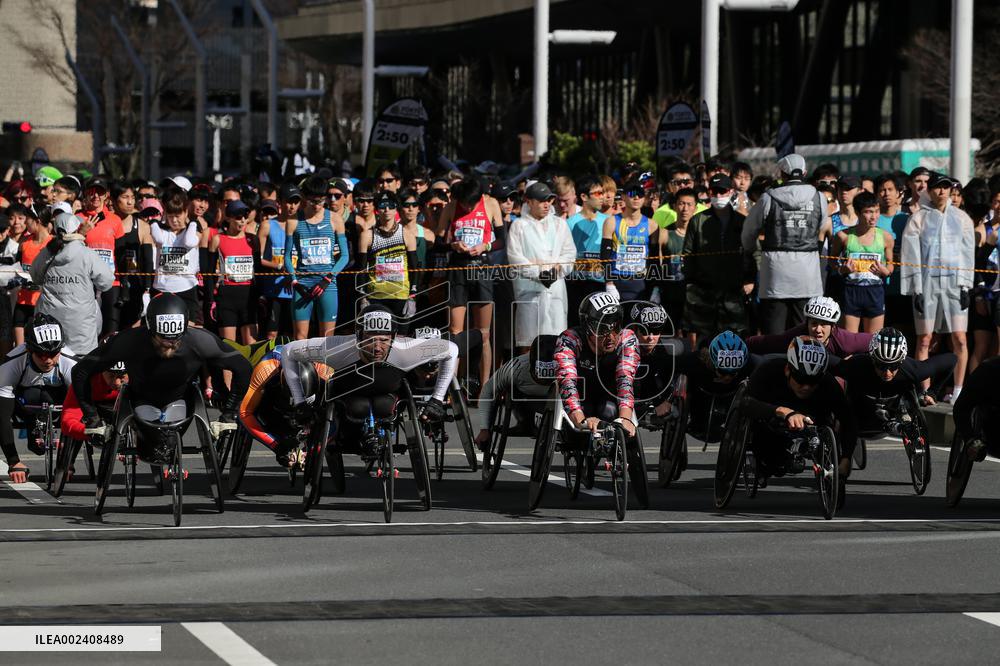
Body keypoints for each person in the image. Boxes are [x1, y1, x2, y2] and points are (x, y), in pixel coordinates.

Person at [70, 295, 252, 459]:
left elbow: (243, 367)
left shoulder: (200, 340)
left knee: (166, 444)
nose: (169, 346)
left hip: (181, 399)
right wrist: (92, 417)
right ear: (149, 327)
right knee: (151, 445)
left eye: (175, 340)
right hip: (139, 400)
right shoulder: (128, 341)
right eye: (163, 339)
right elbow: (81, 371)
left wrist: (230, 413)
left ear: (184, 328)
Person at [280, 305, 458, 443]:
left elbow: (451, 349)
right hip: (349, 392)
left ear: (394, 337)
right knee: (354, 410)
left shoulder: (406, 348)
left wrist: (436, 400)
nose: (378, 347)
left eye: (384, 339)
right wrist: (300, 402)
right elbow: (288, 351)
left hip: (388, 391)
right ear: (358, 336)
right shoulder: (336, 347)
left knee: (380, 405)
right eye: (370, 339)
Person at [741, 336, 857, 492]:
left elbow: (848, 419)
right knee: (774, 463)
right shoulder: (769, 370)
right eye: (801, 379)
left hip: (815, 424)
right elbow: (745, 404)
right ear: (788, 370)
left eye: (813, 381)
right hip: (771, 427)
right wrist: (783, 411)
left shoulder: (828, 383)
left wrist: (846, 458)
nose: (806, 387)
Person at [900, 172, 975, 403]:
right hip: (927, 283)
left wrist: (965, 286)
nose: (942, 192)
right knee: (924, 339)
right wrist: (916, 289)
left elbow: (967, 253)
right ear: (929, 190)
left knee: (960, 338)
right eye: (937, 187)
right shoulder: (918, 218)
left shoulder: (961, 218)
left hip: (954, 283)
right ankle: (924, 392)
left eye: (946, 187)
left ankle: (959, 390)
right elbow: (910, 254)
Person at [742, 153, 830, 335]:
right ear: (804, 172)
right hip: (808, 274)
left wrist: (750, 251)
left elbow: (748, 231)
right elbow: (822, 225)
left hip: (775, 274)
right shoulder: (818, 197)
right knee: (804, 332)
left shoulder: (769, 198)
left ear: (782, 174)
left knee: (773, 336)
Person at [0, 314, 78, 483]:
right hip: (25, 403)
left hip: (60, 400)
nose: (48, 360)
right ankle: (31, 426)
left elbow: (82, 410)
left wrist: (67, 461)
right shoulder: (12, 362)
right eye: (41, 354)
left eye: (53, 353)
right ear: (29, 349)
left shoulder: (69, 362)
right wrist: (14, 462)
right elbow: (2, 416)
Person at [554, 292, 640, 439]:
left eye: (616, 327)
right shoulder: (569, 340)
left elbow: (625, 380)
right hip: (581, 398)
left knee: (609, 411)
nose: (611, 337)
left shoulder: (627, 339)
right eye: (602, 330)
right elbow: (567, 383)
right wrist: (581, 420)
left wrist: (625, 420)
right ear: (587, 328)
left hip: (609, 397)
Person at [834, 328, 956, 428]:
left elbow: (952, 359)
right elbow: (826, 365)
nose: (887, 373)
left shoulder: (913, 369)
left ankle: (903, 406)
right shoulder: (857, 365)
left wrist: (933, 392)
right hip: (861, 405)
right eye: (881, 366)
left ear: (901, 362)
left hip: (897, 397)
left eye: (893, 366)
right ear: (872, 360)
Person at [506, 182, 577, 354]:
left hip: (556, 290)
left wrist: (556, 270)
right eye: (541, 200)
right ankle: (525, 379)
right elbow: (515, 258)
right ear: (529, 201)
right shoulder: (519, 226)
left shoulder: (560, 224)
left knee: (556, 340)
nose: (546, 205)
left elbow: (569, 253)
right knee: (528, 341)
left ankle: (554, 381)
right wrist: (539, 274)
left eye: (549, 200)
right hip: (529, 292)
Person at [30, 213, 114, 354]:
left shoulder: (47, 253)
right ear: (77, 229)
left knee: (50, 362)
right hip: (81, 328)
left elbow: (35, 276)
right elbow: (106, 282)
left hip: (49, 327)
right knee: (79, 369)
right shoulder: (87, 254)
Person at [683, 178, 754, 344]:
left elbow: (751, 252)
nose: (719, 195)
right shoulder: (697, 220)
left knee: (735, 341)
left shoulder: (741, 221)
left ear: (730, 192)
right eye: (715, 192)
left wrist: (750, 280)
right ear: (709, 193)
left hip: (734, 291)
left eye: (722, 191)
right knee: (705, 342)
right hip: (704, 292)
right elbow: (688, 254)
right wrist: (692, 285)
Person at [239, 344, 328, 467]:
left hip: (314, 382)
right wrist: (276, 446)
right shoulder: (266, 368)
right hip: (273, 383)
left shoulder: (325, 369)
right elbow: (245, 412)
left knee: (326, 408)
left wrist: (315, 449)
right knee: (261, 408)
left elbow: (336, 415)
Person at [284, 175, 350, 339]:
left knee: (327, 337)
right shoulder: (293, 221)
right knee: (300, 337)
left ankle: (323, 366)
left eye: (321, 201)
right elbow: (286, 257)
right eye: (313, 201)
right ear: (305, 198)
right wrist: (294, 280)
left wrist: (328, 278)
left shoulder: (335, 219)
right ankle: (301, 365)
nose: (317, 206)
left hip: (327, 284)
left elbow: (344, 256)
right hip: (303, 284)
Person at [474, 334, 558, 448]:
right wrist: (484, 429)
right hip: (525, 402)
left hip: (559, 403)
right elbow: (488, 391)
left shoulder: (572, 367)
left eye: (548, 379)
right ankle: (524, 424)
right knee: (510, 387)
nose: (543, 381)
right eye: (540, 377)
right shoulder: (516, 366)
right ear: (531, 364)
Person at [830, 191, 894, 333]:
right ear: (858, 213)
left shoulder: (886, 237)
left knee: (874, 343)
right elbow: (832, 261)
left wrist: (886, 271)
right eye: (868, 212)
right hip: (851, 292)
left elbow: (890, 264)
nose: (874, 217)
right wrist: (842, 269)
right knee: (849, 342)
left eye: (877, 211)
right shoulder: (843, 236)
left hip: (875, 292)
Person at [356, 190, 419, 325]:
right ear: (377, 209)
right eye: (382, 206)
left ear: (396, 208)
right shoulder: (366, 235)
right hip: (375, 296)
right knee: (377, 338)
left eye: (390, 206)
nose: (387, 210)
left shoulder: (407, 234)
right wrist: (362, 297)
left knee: (401, 340)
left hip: (401, 296)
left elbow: (414, 267)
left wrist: (412, 296)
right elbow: (360, 268)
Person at [747, 296, 872, 359]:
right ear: (806, 323)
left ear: (833, 327)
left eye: (823, 324)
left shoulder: (846, 342)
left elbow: (878, 339)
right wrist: (740, 343)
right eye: (813, 323)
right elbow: (766, 342)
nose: (818, 329)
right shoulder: (795, 336)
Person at [209, 199, 259, 344]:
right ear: (229, 217)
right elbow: (210, 273)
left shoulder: (253, 240)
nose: (242, 220)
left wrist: (260, 296)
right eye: (238, 216)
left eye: (245, 216)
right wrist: (211, 299)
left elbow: (259, 271)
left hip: (249, 295)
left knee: (253, 349)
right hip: (227, 297)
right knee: (228, 350)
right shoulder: (218, 239)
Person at [149, 190, 202, 324]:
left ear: (185, 212)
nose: (174, 220)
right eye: (170, 215)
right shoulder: (162, 231)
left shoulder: (192, 230)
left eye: (178, 215)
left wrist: (192, 222)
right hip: (162, 288)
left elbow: (189, 242)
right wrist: (154, 222)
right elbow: (158, 239)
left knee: (189, 331)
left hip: (187, 288)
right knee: (160, 333)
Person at [603, 179, 660, 303]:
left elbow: (654, 259)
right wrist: (609, 283)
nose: (636, 198)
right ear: (623, 196)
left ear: (644, 198)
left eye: (639, 194)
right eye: (631, 194)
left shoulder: (652, 225)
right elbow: (604, 256)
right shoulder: (611, 222)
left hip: (641, 284)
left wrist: (655, 287)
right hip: (617, 282)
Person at [565, 176, 609, 323]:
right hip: (576, 283)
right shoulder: (570, 223)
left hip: (600, 283)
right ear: (583, 196)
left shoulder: (608, 221)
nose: (602, 197)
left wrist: (611, 283)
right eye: (597, 194)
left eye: (603, 193)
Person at [61, 361, 128, 443]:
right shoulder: (85, 380)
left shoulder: (140, 376)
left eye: (122, 376)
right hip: (93, 409)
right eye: (111, 375)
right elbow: (68, 420)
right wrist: (90, 432)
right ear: (101, 371)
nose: (116, 383)